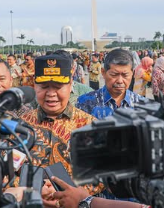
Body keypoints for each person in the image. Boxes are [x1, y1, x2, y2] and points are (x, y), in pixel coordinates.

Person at [16, 52, 104, 206]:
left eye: (58, 87)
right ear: (34, 86)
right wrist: (34, 191)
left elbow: (102, 175)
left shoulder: (90, 126)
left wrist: (68, 195)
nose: (51, 94)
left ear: (70, 85)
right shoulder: (20, 126)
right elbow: (8, 170)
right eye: (44, 87)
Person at [76, 49, 145, 119]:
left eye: (125, 75)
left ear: (132, 74)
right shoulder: (85, 103)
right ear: (103, 73)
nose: (120, 81)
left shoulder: (142, 104)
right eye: (114, 75)